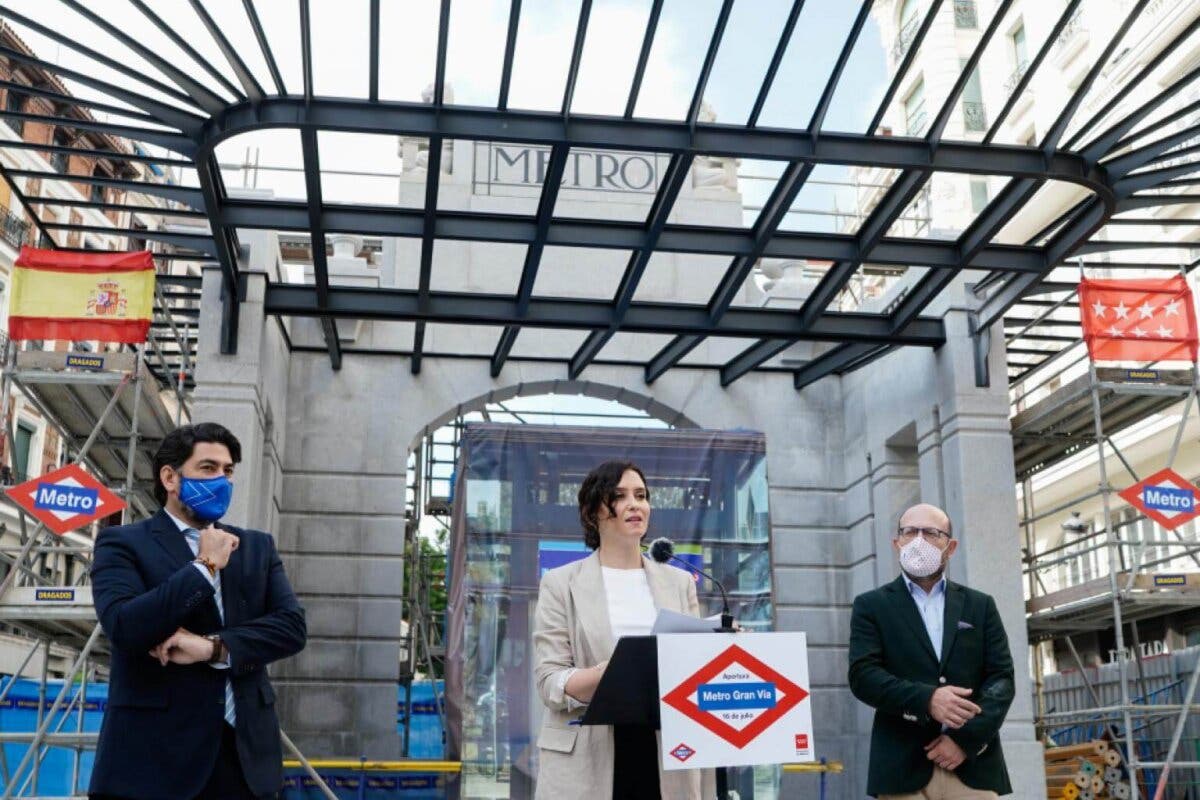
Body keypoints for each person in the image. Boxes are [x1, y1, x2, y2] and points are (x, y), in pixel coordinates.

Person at [88, 422, 307, 800]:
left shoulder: (255, 547)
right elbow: (125, 626)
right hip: (152, 765)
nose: (221, 480)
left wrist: (212, 648)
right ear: (170, 478)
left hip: (245, 762)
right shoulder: (122, 543)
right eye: (208, 468)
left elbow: (291, 628)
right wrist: (204, 566)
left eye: (228, 471)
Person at [532, 461, 710, 800]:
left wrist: (726, 651)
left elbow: (694, 666)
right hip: (588, 751)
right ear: (592, 511)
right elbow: (549, 681)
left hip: (666, 751)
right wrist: (612, 672)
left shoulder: (680, 582)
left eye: (641, 496)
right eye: (620, 496)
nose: (635, 504)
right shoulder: (560, 583)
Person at [848, 503, 1014, 799]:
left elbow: (1001, 680)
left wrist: (966, 740)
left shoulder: (980, 605)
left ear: (950, 547)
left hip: (972, 767)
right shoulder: (871, 606)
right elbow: (864, 676)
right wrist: (927, 699)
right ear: (896, 543)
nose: (919, 541)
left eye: (931, 533)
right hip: (902, 767)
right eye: (910, 532)